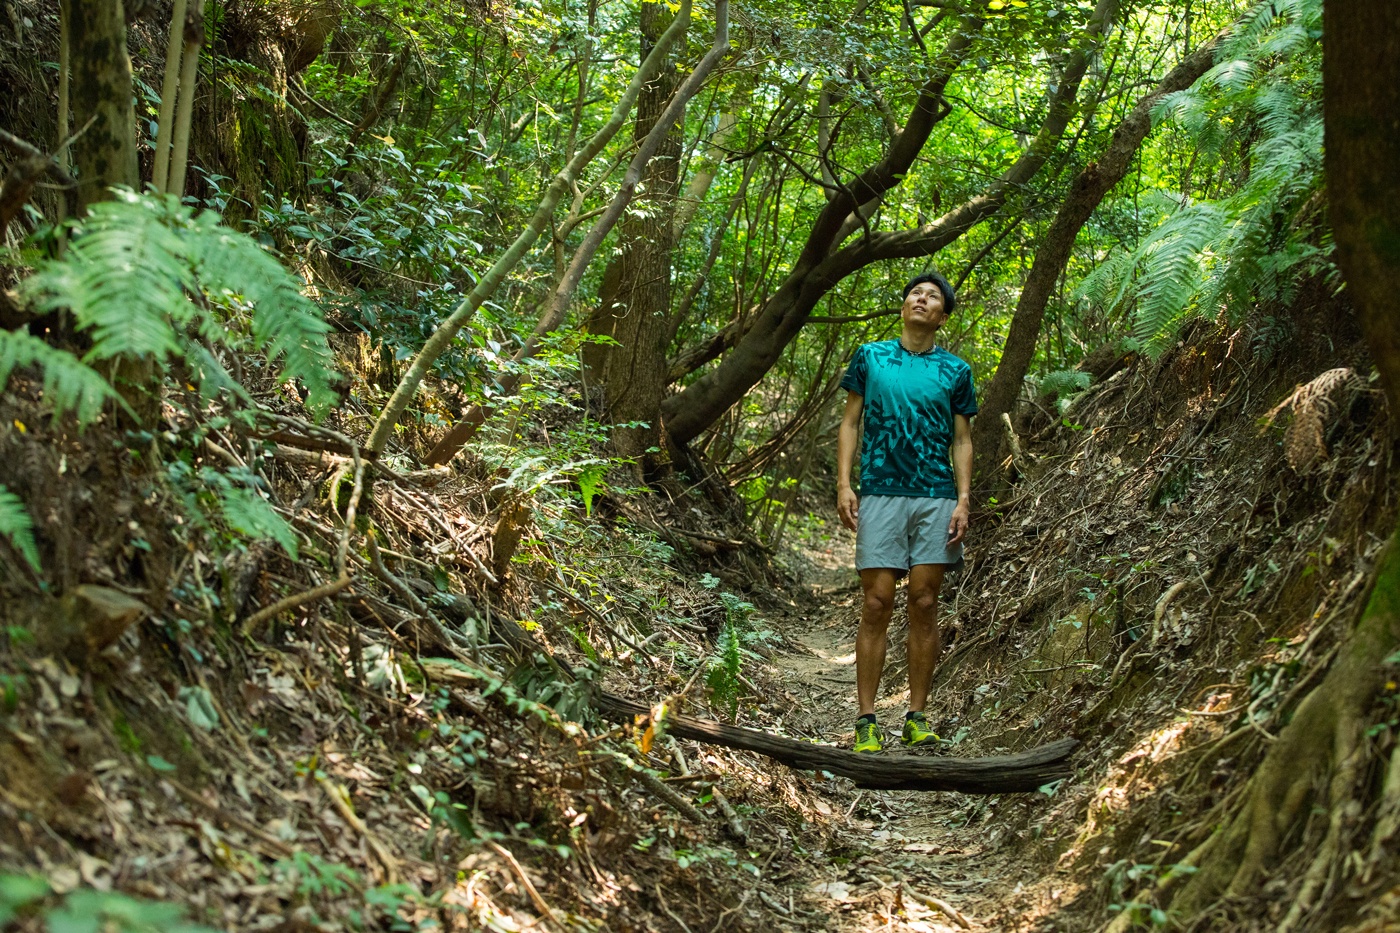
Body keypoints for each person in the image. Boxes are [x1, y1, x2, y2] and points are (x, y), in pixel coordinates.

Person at [835, 271, 977, 754]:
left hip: (936, 495)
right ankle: (866, 719)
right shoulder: (871, 356)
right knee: (876, 601)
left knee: (924, 601)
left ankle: (917, 715)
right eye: (915, 292)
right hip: (880, 491)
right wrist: (844, 483)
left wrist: (962, 498)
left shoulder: (955, 371)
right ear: (904, 306)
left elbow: (962, 439)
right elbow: (850, 422)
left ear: (942, 315)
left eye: (933, 296)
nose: (921, 298)